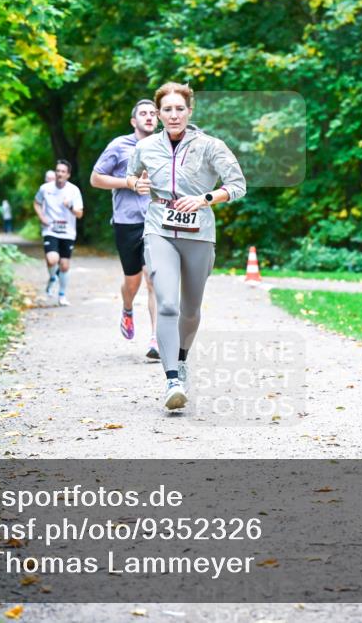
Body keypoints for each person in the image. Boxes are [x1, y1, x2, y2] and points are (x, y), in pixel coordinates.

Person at [127, 82, 246, 410]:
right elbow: (132, 177)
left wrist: (205, 199)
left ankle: (181, 360)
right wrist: (136, 183)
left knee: (190, 309)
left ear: (190, 111)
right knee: (167, 304)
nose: (174, 115)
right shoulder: (147, 147)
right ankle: (171, 380)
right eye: (167, 109)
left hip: (199, 233)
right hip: (159, 229)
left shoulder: (211, 146)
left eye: (180, 108)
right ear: (159, 113)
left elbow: (237, 186)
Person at [90, 99, 161, 359]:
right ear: (134, 121)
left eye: (153, 113)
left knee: (153, 279)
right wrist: (129, 183)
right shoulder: (118, 146)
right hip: (126, 222)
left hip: (155, 221)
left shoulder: (164, 146)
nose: (149, 117)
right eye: (143, 113)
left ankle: (156, 339)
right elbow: (95, 178)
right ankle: (128, 307)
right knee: (133, 282)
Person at [33, 160, 84, 307]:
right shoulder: (45, 188)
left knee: (65, 265)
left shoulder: (74, 190)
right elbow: (36, 202)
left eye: (63, 171)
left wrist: (70, 206)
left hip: (68, 232)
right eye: (58, 171)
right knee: (52, 259)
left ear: (68, 175)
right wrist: (42, 217)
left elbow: (79, 214)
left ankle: (62, 295)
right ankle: (52, 278)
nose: (59, 173)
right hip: (50, 230)